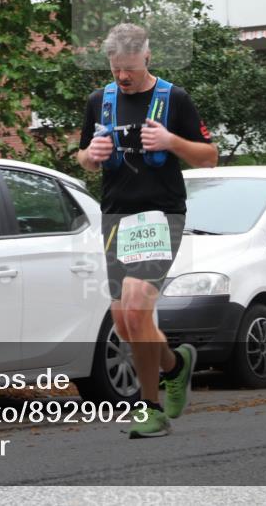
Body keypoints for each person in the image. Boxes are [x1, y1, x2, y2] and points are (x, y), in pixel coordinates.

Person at [77, 23, 217, 438]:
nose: (123, 77)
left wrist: (173, 141)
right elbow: (84, 157)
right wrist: (91, 155)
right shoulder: (99, 102)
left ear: (147, 58)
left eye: (131, 70)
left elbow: (209, 158)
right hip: (116, 219)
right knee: (124, 325)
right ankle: (175, 366)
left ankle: (150, 407)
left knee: (138, 308)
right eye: (116, 68)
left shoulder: (174, 98)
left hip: (161, 216)